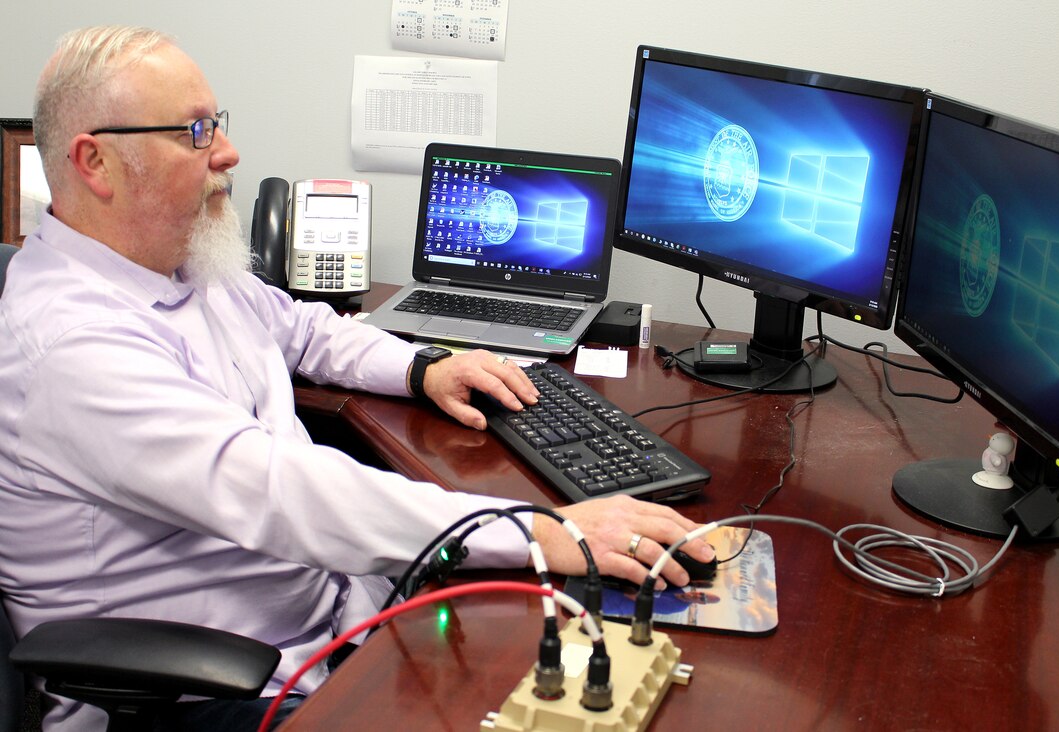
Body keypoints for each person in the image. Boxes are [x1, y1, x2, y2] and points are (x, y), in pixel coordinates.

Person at [0, 26, 713, 731]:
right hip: (207, 689)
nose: (227, 150)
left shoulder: (178, 265)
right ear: (95, 162)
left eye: (217, 122)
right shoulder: (70, 344)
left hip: (330, 617)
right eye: (194, 131)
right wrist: (537, 533)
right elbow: (278, 491)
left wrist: (424, 366)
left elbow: (304, 327)